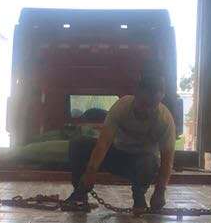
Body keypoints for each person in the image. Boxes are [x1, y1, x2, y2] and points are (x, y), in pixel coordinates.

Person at [66, 71, 176, 212]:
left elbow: (167, 161)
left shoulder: (165, 120)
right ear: (136, 93)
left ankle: (139, 197)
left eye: (152, 105)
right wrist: (90, 171)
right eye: (143, 103)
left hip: (142, 164)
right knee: (78, 145)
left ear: (161, 99)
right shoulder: (121, 107)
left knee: (148, 162)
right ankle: (80, 193)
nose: (146, 110)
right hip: (117, 155)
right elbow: (103, 144)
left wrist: (160, 192)